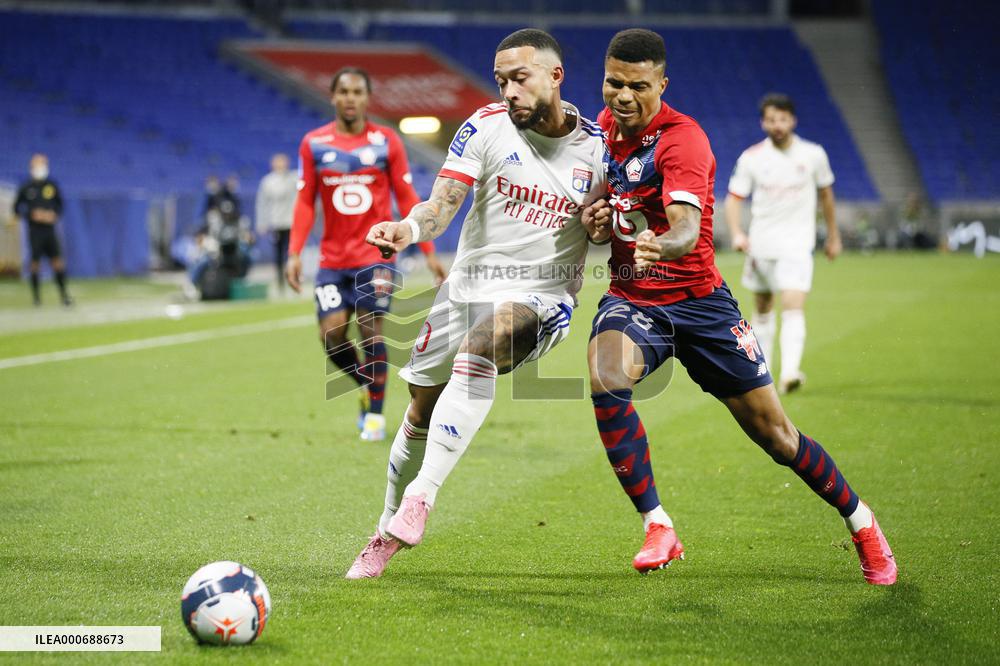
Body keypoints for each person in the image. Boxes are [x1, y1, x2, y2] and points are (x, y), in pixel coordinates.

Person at [582, 29, 895, 584]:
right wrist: (596, 215)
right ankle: (658, 525)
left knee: (778, 437)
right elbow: (604, 198)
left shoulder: (683, 141)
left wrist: (662, 245)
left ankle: (861, 521)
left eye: (638, 86)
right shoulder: (606, 127)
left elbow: (686, 228)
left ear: (661, 84)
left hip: (702, 306)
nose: (623, 96)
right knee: (607, 378)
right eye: (613, 83)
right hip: (634, 299)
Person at [345, 28, 607, 579]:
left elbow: (618, 227)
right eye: (501, 80)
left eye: (520, 78)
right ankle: (385, 527)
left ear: (555, 76)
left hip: (542, 295)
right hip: (466, 289)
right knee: (420, 408)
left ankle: (422, 495)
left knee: (484, 343)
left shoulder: (600, 149)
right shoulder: (486, 126)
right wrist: (408, 228)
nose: (509, 91)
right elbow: (442, 205)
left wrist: (608, 225)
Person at [286, 66, 447, 442]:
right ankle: (366, 384)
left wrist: (428, 249)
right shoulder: (314, 143)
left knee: (370, 329)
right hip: (332, 260)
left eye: (357, 92)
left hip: (377, 255)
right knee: (331, 335)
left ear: (367, 98)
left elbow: (406, 197)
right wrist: (294, 252)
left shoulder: (386, 142)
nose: (350, 98)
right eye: (343, 91)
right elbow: (305, 201)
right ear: (333, 96)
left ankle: (374, 415)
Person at [724, 93, 841, 394]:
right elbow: (734, 198)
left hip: (797, 244)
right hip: (761, 245)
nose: (777, 125)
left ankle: (789, 371)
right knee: (763, 307)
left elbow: (826, 196)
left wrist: (833, 235)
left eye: (782, 119)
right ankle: (763, 375)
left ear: (793, 120)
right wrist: (737, 232)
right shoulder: (752, 158)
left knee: (792, 304)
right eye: (771, 119)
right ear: (763, 123)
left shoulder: (813, 154)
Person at [13, 153, 72, 306]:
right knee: (35, 263)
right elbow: (17, 208)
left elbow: (60, 205)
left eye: (43, 164)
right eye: (38, 165)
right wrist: (32, 214)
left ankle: (64, 296)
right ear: (31, 167)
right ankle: (36, 299)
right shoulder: (26, 187)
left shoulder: (51, 185)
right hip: (35, 231)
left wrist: (53, 215)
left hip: (50, 230)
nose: (41, 167)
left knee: (57, 262)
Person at [255, 153, 297, 293]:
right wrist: (262, 222)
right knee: (278, 255)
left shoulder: (293, 178)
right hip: (276, 223)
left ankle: (294, 280)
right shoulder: (268, 181)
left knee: (293, 253)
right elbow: (262, 203)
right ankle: (280, 283)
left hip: (291, 222)